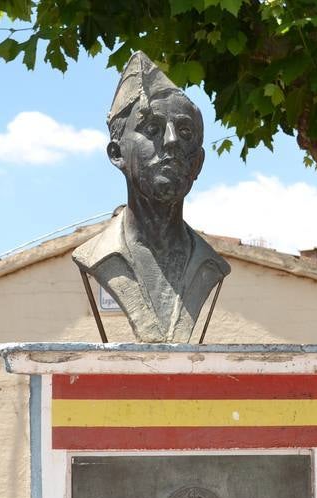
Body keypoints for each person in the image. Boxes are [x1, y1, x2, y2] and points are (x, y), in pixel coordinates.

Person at [73, 50, 230, 343]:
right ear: (117, 153)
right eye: (153, 129)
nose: (171, 142)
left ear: (198, 163)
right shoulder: (96, 256)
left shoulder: (211, 265)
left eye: (185, 132)